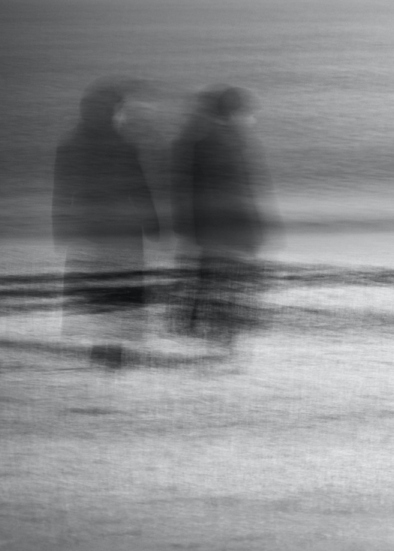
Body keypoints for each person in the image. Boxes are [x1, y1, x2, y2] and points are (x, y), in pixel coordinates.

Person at [53, 79, 160, 369]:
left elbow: (62, 193)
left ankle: (101, 346)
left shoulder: (71, 145)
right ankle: (115, 347)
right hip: (122, 228)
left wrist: (61, 228)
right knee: (120, 286)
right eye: (119, 110)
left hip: (87, 228)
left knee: (95, 286)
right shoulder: (123, 145)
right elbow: (139, 188)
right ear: (112, 112)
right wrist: (152, 223)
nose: (121, 116)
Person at [170, 85, 276, 352]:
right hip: (230, 225)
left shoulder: (201, 141)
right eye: (248, 113)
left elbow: (188, 188)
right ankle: (220, 335)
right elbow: (241, 190)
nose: (252, 119)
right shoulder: (230, 143)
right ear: (235, 113)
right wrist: (256, 227)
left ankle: (202, 327)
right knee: (225, 280)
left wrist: (187, 226)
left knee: (211, 278)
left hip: (211, 226)